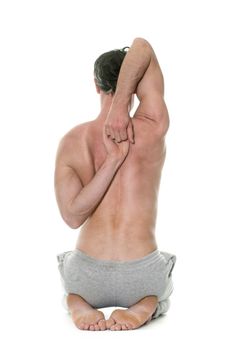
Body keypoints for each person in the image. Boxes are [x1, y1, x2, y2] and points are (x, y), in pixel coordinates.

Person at [55, 37, 176, 331]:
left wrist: (109, 159)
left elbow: (72, 218)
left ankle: (76, 301)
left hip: (86, 275)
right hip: (142, 274)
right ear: (134, 87)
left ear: (96, 85)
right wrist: (123, 108)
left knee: (68, 270)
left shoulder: (72, 141)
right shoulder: (152, 128)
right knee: (164, 282)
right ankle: (148, 303)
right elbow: (143, 47)